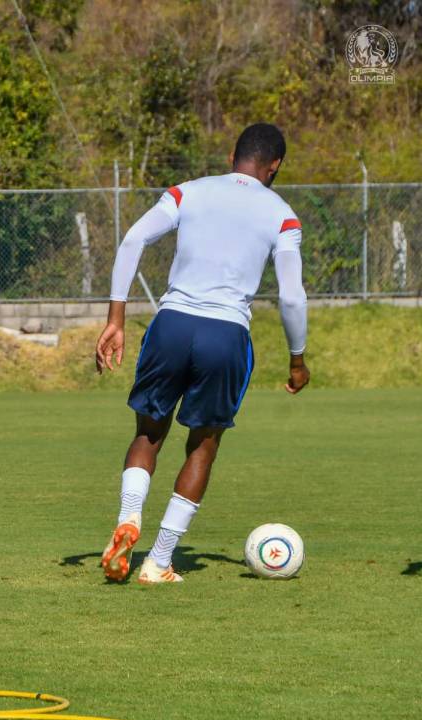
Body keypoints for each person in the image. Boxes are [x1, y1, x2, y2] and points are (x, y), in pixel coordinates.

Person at [95, 122, 310, 585]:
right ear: (274, 167)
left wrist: (115, 318)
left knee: (149, 434)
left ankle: (127, 521)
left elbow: (133, 238)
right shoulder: (282, 214)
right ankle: (159, 562)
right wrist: (297, 358)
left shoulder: (187, 191)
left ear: (233, 154)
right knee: (203, 447)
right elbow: (292, 297)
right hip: (226, 333)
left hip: (171, 323)